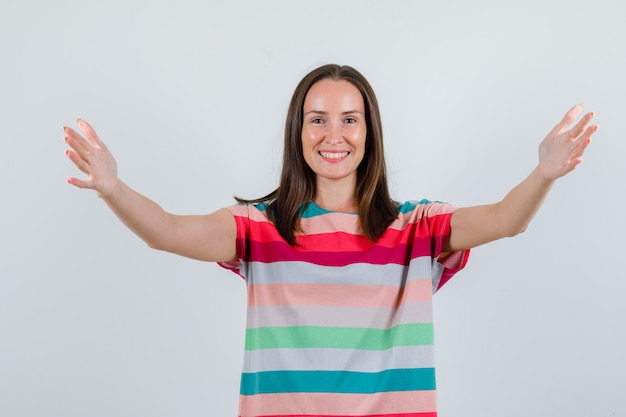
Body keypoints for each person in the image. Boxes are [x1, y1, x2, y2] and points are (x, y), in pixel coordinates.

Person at [64, 64, 598, 417]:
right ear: (299, 130)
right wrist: (113, 188)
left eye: (349, 119)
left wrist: (544, 174)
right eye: (317, 120)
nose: (333, 135)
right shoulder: (260, 227)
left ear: (369, 133)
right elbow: (168, 232)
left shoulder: (418, 227)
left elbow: (507, 219)